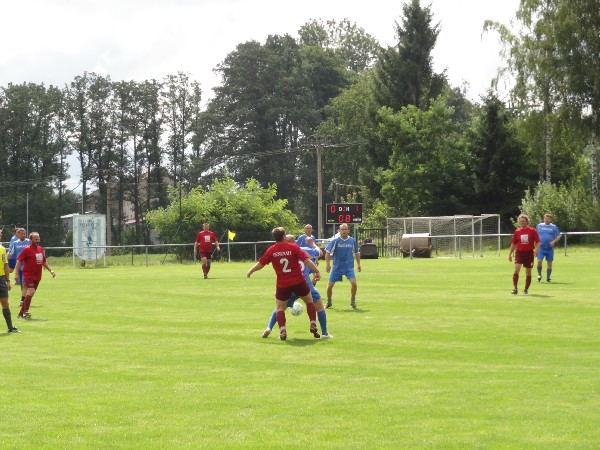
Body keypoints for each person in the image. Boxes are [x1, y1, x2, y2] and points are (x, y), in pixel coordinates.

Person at [247, 226, 321, 341]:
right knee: (309, 301)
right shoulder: (293, 247)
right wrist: (316, 271)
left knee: (280, 308)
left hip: (283, 284)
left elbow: (261, 263)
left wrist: (251, 270)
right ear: (284, 236)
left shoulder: (272, 250)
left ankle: (282, 330)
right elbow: (307, 261)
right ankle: (312, 323)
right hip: (299, 281)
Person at [262, 235, 332, 339]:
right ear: (295, 241)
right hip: (304, 284)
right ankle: (325, 333)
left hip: (288, 286)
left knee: (280, 308)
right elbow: (319, 253)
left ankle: (269, 328)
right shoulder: (303, 250)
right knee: (319, 307)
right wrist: (312, 244)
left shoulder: (280, 252)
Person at [14, 232, 56, 320]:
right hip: (28, 275)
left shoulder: (40, 249)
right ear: (31, 240)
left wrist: (51, 270)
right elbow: (19, 261)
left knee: (30, 294)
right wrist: (16, 274)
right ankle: (25, 312)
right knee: (31, 290)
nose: (37, 241)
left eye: (38, 239)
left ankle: (21, 314)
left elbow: (44, 262)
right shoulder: (26, 249)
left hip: (37, 276)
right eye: (35, 239)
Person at [324, 223, 361, 309]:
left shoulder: (352, 240)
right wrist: (328, 264)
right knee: (329, 286)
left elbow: (357, 252)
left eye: (345, 229)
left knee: (354, 284)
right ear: (339, 231)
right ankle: (329, 302)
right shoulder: (335, 240)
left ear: (348, 230)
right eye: (342, 229)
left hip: (349, 267)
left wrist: (359, 264)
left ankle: (353, 301)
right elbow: (327, 252)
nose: (344, 231)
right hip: (337, 267)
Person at [508, 214, 540, 295]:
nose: (522, 222)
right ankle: (515, 288)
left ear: (527, 221)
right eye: (521, 221)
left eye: (524, 221)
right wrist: (510, 253)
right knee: (516, 271)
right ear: (519, 222)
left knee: (528, 273)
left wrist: (536, 250)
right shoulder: (517, 231)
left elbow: (538, 242)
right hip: (519, 253)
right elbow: (513, 243)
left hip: (529, 254)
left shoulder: (532, 230)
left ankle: (525, 290)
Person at [1, 229, 19, 333]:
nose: (0, 235)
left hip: (1, 279)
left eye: (0, 234)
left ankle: (10, 327)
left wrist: (7, 280)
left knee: (5, 302)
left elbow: (5, 265)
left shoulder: (2, 249)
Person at [8, 228, 30, 307]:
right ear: (18, 234)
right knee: (22, 284)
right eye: (21, 234)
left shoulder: (29, 242)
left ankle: (23, 300)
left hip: (28, 266)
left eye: (24, 234)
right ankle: (24, 298)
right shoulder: (15, 243)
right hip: (19, 267)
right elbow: (10, 253)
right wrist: (4, 261)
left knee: (25, 283)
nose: (23, 235)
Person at [536, 213, 561, 283]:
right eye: (545, 218)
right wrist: (535, 245)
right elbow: (535, 235)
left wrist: (554, 241)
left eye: (548, 219)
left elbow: (558, 236)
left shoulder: (554, 227)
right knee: (539, 261)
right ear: (544, 219)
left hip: (549, 248)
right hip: (541, 248)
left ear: (551, 220)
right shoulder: (539, 226)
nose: (547, 220)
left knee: (549, 263)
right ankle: (539, 275)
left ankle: (548, 278)